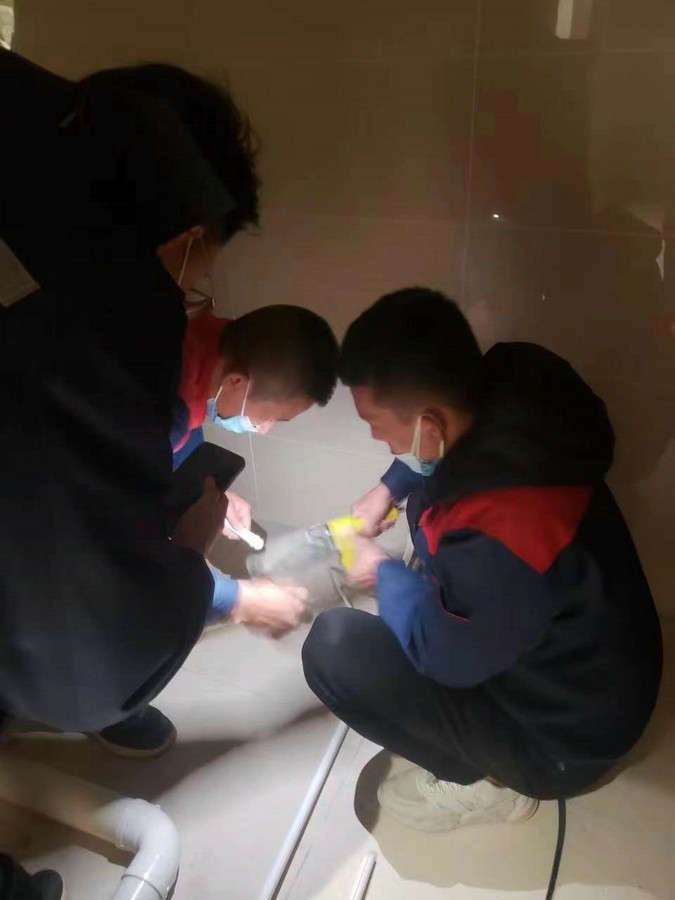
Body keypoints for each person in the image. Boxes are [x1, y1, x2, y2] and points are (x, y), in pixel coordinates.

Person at [0, 46, 271, 774]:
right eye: (192, 282)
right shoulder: (110, 330)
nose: (186, 303)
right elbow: (91, 659)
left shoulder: (32, 230)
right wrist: (195, 565)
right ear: (184, 237)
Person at [302, 287, 663, 833]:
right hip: (606, 668)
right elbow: (442, 455)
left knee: (335, 650)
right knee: (424, 511)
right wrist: (389, 488)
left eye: (376, 422)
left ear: (429, 424)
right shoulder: (516, 388)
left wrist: (381, 572)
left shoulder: (501, 537)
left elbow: (446, 657)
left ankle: (492, 785)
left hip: (566, 741)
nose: (375, 435)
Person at [171, 304, 339, 633]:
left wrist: (202, 487)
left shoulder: (199, 345)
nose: (264, 429)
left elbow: (179, 442)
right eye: (271, 416)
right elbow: (121, 550)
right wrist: (237, 599)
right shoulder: (158, 413)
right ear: (236, 382)